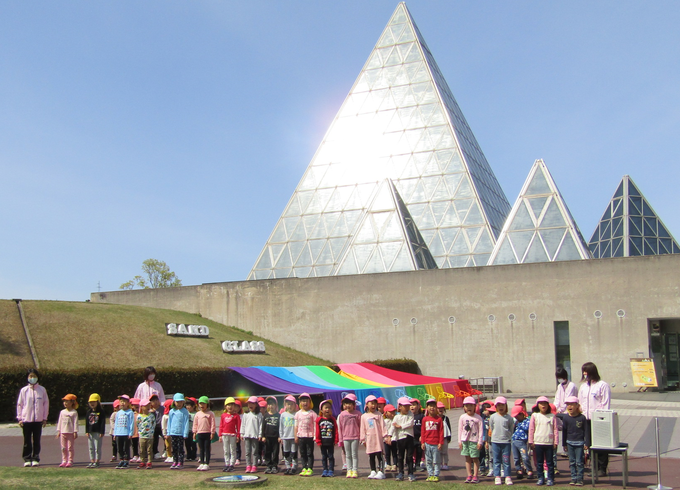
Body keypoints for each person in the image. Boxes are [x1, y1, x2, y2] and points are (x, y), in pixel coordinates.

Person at [577, 362, 611, 477]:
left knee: (601, 444)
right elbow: (580, 402)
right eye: (583, 371)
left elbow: (605, 403)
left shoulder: (602, 385)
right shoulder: (583, 386)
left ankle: (602, 468)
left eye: (586, 371)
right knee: (590, 444)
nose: (585, 374)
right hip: (585, 419)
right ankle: (594, 468)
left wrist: (600, 416)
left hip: (598, 419)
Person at [16, 368, 49, 467]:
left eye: (34, 376)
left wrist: (44, 418)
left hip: (38, 420)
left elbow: (45, 404)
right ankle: (27, 458)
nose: (32, 378)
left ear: (37, 377)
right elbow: (20, 404)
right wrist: (20, 418)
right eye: (30, 376)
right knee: (27, 441)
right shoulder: (24, 390)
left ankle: (35, 458)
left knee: (36, 440)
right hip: (26, 420)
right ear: (27, 377)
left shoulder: (42, 390)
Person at [528, 396, 559, 486]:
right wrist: (531, 441)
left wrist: (555, 442)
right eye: (541, 404)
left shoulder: (552, 416)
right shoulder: (535, 415)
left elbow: (555, 430)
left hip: (549, 443)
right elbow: (531, 429)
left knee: (550, 462)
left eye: (545, 403)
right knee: (539, 462)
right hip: (538, 442)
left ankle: (550, 478)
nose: (543, 405)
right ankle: (540, 478)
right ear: (538, 405)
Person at [562, 396, 589, 486]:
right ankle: (573, 478)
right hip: (569, 442)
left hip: (580, 443)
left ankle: (580, 478)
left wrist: (587, 443)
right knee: (572, 461)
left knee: (579, 462)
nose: (569, 407)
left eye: (572, 405)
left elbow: (586, 431)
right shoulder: (566, 418)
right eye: (568, 405)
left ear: (577, 406)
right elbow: (564, 431)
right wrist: (564, 444)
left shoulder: (582, 418)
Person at [388, 396, 415, 482]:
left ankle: (410, 473)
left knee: (409, 456)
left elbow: (410, 423)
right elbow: (393, 427)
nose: (407, 408)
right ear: (399, 406)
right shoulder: (396, 417)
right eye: (405, 406)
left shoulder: (411, 414)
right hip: (400, 438)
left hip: (409, 437)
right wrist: (389, 436)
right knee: (400, 456)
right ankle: (401, 473)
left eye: (408, 406)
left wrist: (400, 426)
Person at [489, 396, 514, 486]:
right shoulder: (492, 417)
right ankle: (497, 476)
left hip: (506, 442)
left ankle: (507, 476)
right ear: (496, 407)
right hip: (495, 441)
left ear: (506, 406)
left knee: (506, 460)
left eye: (502, 405)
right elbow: (492, 427)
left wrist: (508, 437)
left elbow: (511, 429)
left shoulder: (509, 418)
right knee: (496, 460)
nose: (500, 407)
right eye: (498, 405)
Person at [459, 396, 484, 483]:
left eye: (471, 405)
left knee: (475, 458)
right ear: (464, 407)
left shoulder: (478, 418)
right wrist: (460, 441)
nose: (469, 407)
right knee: (467, 458)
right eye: (467, 406)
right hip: (465, 440)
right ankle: (469, 474)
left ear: (475, 406)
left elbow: (481, 430)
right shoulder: (462, 417)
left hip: (474, 440)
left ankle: (475, 475)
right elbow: (460, 429)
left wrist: (480, 441)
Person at [361, 395, 386, 480]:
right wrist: (362, 439)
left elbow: (383, 426)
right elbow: (362, 428)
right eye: (371, 403)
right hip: (369, 439)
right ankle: (373, 470)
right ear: (367, 404)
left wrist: (385, 435)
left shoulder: (379, 414)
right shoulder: (364, 416)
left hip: (378, 438)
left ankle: (381, 471)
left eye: (375, 403)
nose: (373, 405)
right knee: (371, 455)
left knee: (379, 455)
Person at [337, 393, 361, 478]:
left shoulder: (358, 414)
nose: (348, 405)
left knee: (354, 454)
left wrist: (361, 437)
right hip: (345, 437)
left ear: (354, 404)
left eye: (350, 403)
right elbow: (340, 427)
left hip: (355, 437)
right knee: (348, 454)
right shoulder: (342, 415)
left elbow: (360, 425)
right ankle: (349, 470)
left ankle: (355, 470)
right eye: (346, 403)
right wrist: (340, 439)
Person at [421, 398, 444, 482]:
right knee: (428, 460)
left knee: (436, 460)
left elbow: (441, 432)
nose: (432, 408)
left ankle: (436, 474)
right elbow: (423, 431)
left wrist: (440, 443)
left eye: (434, 406)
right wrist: (423, 442)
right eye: (430, 406)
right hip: (427, 443)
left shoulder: (439, 419)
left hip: (436, 443)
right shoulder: (425, 419)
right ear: (427, 407)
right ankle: (430, 474)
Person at [294, 393, 317, 476]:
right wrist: (296, 436)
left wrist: (315, 436)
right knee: (302, 453)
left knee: (309, 453)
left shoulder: (312, 413)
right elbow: (296, 426)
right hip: (301, 436)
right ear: (300, 402)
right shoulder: (297, 414)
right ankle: (304, 467)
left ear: (309, 402)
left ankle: (310, 468)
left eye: (306, 401)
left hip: (309, 436)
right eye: (303, 401)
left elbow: (315, 426)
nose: (304, 403)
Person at [167, 393, 191, 469]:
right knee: (174, 448)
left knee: (180, 448)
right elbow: (169, 422)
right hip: (173, 432)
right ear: (174, 402)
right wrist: (168, 432)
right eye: (177, 402)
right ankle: (175, 461)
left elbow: (186, 422)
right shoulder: (171, 411)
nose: (179, 404)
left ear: (183, 402)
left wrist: (185, 433)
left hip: (181, 433)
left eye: (181, 402)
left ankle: (180, 462)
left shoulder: (185, 411)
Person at [315, 399, 338, 477]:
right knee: (324, 456)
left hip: (330, 441)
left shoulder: (333, 419)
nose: (327, 409)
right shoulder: (319, 420)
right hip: (323, 442)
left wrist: (336, 439)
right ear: (321, 410)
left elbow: (336, 430)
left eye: (329, 408)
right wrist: (318, 441)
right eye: (326, 408)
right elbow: (317, 431)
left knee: (331, 456)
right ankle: (325, 469)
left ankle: (331, 470)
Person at [241, 395, 264, 473]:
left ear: (256, 405)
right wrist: (242, 433)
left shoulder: (259, 415)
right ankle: (248, 465)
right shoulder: (246, 414)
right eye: (249, 404)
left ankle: (254, 465)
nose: (250, 405)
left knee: (255, 451)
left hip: (255, 435)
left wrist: (260, 434)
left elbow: (261, 425)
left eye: (252, 403)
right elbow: (243, 424)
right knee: (247, 452)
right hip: (247, 435)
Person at [193, 396, 216, 471]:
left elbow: (213, 423)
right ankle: (202, 463)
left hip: (207, 433)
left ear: (207, 404)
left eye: (203, 403)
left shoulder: (210, 413)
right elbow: (195, 424)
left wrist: (212, 432)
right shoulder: (197, 414)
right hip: (200, 433)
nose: (202, 405)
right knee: (201, 449)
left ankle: (207, 463)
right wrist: (194, 432)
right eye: (200, 403)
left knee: (207, 448)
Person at [510, 405, 533, 480]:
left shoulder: (527, 421)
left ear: (521, 414)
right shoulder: (516, 422)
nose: (516, 417)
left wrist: (519, 425)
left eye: (517, 415)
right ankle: (518, 470)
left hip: (522, 441)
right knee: (516, 458)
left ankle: (529, 470)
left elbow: (527, 428)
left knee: (525, 457)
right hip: (514, 441)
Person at [56, 394, 79, 467]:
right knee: (63, 447)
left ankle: (70, 460)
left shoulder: (74, 412)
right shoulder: (62, 412)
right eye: (64, 401)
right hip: (63, 432)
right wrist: (59, 431)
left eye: (67, 401)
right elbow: (60, 421)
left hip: (70, 432)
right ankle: (64, 460)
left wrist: (75, 431)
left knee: (70, 447)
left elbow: (76, 422)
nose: (65, 403)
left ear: (72, 402)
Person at [219, 397, 241, 472]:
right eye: (228, 405)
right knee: (226, 450)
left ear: (234, 406)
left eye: (232, 404)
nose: (230, 406)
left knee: (232, 449)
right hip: (225, 435)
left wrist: (238, 435)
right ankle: (227, 464)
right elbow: (221, 425)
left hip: (232, 435)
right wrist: (220, 435)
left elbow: (238, 427)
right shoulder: (223, 415)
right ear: (225, 406)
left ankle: (232, 464)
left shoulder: (236, 416)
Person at [114, 394, 136, 469]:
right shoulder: (118, 413)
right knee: (119, 448)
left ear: (128, 403)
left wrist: (131, 433)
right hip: (118, 433)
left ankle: (126, 461)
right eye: (121, 401)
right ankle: (121, 460)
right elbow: (116, 423)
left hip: (126, 433)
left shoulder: (130, 412)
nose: (122, 403)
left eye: (124, 401)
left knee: (125, 447)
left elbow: (132, 423)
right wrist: (115, 433)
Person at [85, 393, 106, 468]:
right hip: (90, 432)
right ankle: (92, 460)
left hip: (97, 431)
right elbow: (87, 422)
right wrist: (87, 431)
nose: (92, 403)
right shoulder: (89, 412)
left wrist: (102, 431)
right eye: (90, 402)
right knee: (91, 447)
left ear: (98, 402)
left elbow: (103, 422)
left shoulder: (101, 412)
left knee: (97, 447)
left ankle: (97, 461)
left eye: (94, 402)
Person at [261, 396, 281, 474]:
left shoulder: (278, 415)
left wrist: (280, 436)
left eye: (272, 404)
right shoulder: (266, 415)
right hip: (267, 437)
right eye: (269, 404)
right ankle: (269, 466)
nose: (270, 406)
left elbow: (280, 427)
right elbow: (263, 426)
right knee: (267, 452)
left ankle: (274, 466)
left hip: (275, 437)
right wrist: (263, 436)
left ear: (275, 405)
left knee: (275, 452)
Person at [279, 395, 298, 475]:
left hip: (293, 437)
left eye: (291, 404)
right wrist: (281, 436)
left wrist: (297, 436)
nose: (290, 406)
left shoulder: (296, 414)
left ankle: (294, 466)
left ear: (295, 405)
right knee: (286, 453)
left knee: (294, 452)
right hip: (285, 437)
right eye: (288, 404)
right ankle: (287, 467)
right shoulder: (283, 415)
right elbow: (281, 426)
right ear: (285, 405)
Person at [137, 398, 156, 469]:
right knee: (142, 450)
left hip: (150, 435)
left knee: (149, 449)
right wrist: (140, 432)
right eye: (145, 405)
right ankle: (142, 461)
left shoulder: (151, 416)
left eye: (148, 405)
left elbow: (153, 424)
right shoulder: (139, 416)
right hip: (142, 435)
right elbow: (138, 424)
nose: (147, 407)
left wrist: (152, 432)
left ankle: (149, 462)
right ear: (141, 407)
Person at [411, 399, 425, 472]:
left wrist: (422, 435)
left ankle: (418, 464)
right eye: (411, 405)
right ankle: (411, 464)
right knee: (411, 451)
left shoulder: (421, 416)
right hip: (411, 437)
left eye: (414, 405)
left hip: (419, 436)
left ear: (418, 406)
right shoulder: (409, 416)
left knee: (419, 451)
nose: (412, 407)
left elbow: (423, 426)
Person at [383, 404, 397, 472]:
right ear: (386, 413)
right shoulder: (384, 421)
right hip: (386, 440)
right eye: (390, 412)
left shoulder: (396, 420)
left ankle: (395, 464)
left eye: (393, 412)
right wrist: (386, 438)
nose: (392, 413)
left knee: (395, 453)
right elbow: (384, 430)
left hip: (394, 439)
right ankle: (388, 464)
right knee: (387, 453)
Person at [438, 401, 452, 470]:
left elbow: (449, 428)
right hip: (437, 438)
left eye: (442, 408)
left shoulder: (446, 418)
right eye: (439, 408)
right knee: (439, 451)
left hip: (445, 437)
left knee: (445, 451)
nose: (440, 410)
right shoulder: (436, 418)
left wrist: (449, 437)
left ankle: (445, 463)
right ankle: (440, 463)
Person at [185, 398, 198, 462]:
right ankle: (188, 455)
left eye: (189, 405)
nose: (188, 407)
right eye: (187, 405)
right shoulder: (185, 413)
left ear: (193, 406)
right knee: (187, 444)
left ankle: (193, 456)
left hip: (193, 431)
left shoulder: (196, 414)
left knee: (193, 444)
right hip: (187, 431)